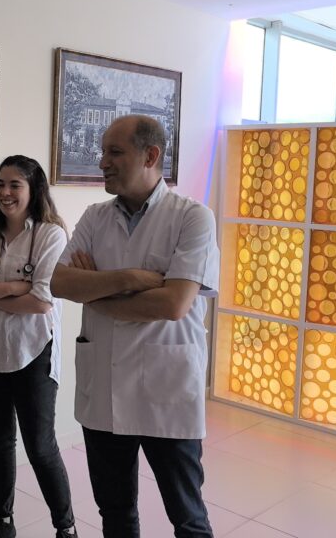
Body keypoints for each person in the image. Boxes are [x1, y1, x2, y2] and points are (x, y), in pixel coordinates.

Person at [51, 115, 220, 538]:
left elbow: (173, 304)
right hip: (104, 389)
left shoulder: (192, 217)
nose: (102, 162)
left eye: (114, 152)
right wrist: (129, 279)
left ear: (150, 155)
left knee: (188, 517)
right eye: (102, 152)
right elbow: (59, 282)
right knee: (115, 512)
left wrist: (94, 289)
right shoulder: (94, 217)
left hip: (166, 388)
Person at [0, 155, 78, 538]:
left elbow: (41, 301)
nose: (5, 192)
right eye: (0, 183)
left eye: (15, 185)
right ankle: (2, 520)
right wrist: (11, 288)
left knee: (40, 447)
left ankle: (66, 527)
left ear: (34, 190)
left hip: (33, 351)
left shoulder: (51, 235)